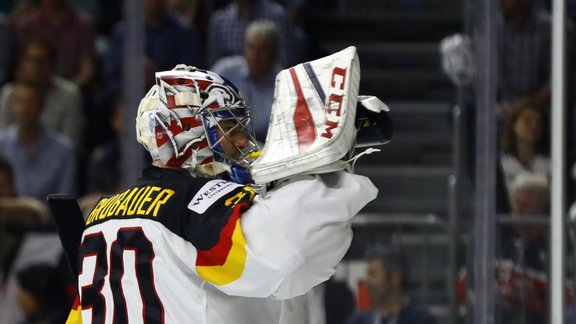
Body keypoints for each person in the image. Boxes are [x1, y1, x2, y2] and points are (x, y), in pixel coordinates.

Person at [63, 64, 378, 323]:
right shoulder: (195, 204)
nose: (243, 141)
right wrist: (326, 163)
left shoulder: (99, 218)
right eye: (229, 127)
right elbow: (289, 256)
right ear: (188, 133)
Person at [0, 79, 77, 202]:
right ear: (11, 105)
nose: (24, 108)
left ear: (42, 106)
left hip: (50, 219)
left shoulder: (64, 149)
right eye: (19, 101)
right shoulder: (1, 143)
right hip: (7, 216)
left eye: (31, 102)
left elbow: (65, 198)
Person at [0, 38, 85, 146]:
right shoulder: (9, 92)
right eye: (31, 60)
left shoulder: (70, 95)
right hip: (12, 157)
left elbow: (71, 142)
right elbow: (2, 139)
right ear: (22, 64)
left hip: (55, 158)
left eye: (42, 61)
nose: (36, 66)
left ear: (53, 65)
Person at [105, 0, 202, 90]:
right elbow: (111, 76)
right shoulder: (124, 32)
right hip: (130, 99)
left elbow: (191, 75)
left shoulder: (184, 32)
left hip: (171, 100)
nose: (152, 1)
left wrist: (155, 76)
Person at [212, 19, 282, 143]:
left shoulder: (283, 83)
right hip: (220, 144)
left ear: (274, 53)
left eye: (263, 49)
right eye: (251, 47)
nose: (255, 56)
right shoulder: (224, 71)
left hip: (264, 151)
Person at [11, 0, 96, 88]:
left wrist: (70, 89)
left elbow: (87, 68)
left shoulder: (84, 24)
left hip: (72, 83)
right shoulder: (26, 24)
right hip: (32, 85)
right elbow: (19, 66)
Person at [346, 246, 437, 324]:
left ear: (395, 277)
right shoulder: (359, 321)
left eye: (373, 274)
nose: (368, 281)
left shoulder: (420, 320)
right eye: (368, 275)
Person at [207, 0, 295, 67]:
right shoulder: (219, 21)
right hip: (229, 85)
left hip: (269, 84)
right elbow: (214, 65)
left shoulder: (277, 16)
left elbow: (284, 62)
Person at [499, 102, 550, 200]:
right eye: (527, 121)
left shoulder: (551, 165)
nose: (533, 126)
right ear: (514, 125)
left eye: (538, 122)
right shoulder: (501, 164)